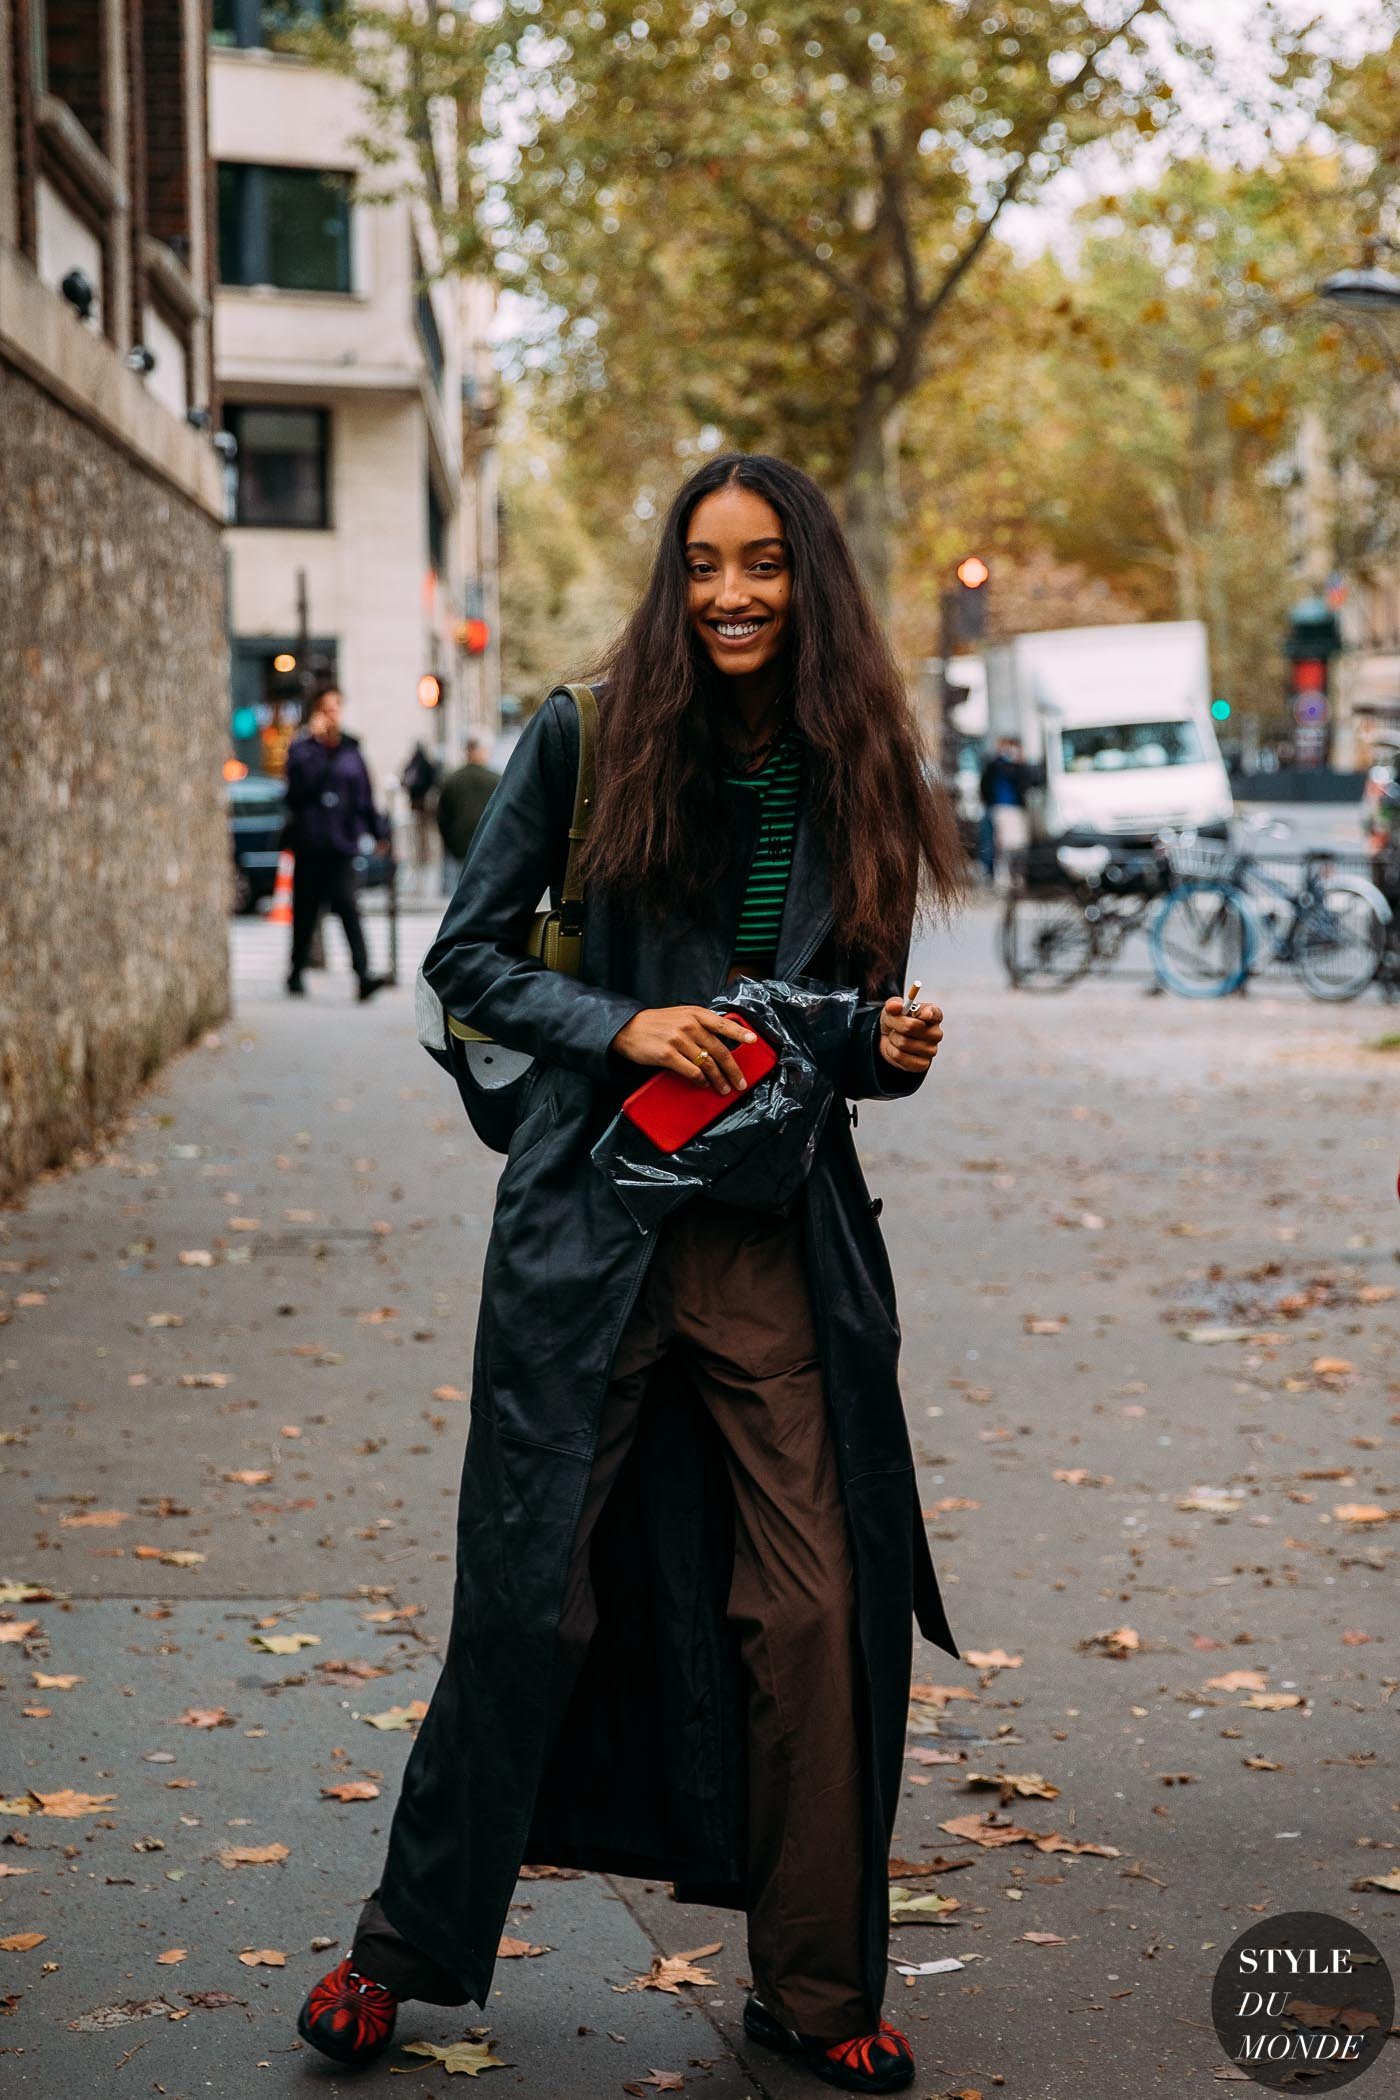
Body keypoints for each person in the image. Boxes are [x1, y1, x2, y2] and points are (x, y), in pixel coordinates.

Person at [296, 455, 963, 2094]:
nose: (733, 593)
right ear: (675, 579)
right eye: (706, 564)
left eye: (764, 565)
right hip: (589, 1233)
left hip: (766, 1242)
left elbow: (830, 1034)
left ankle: (815, 1989)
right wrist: (621, 1024)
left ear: (811, 580)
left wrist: (891, 1048)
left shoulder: (858, 763)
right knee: (531, 1598)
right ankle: (402, 1949)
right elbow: (465, 958)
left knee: (819, 1609)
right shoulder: (583, 736)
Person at [283, 689, 391, 1001]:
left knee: (348, 908)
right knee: (305, 912)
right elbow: (296, 793)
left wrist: (379, 832)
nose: (333, 714)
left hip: (341, 844)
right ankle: (295, 973)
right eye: (327, 708)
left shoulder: (351, 750)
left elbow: (364, 797)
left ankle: (363, 974)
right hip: (311, 843)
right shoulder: (303, 750)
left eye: (337, 708)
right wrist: (318, 748)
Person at [435, 734, 501, 892]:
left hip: (461, 846)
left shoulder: (452, 779)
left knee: (462, 893)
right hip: (489, 845)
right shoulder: (496, 779)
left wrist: (451, 843)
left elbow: (442, 817)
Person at [979, 735, 1033, 882]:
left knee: (1018, 843)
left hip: (1016, 809)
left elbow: (1027, 781)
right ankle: (1001, 877)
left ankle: (1016, 875)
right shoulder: (994, 766)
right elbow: (985, 785)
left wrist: (1020, 762)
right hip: (999, 809)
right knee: (1000, 844)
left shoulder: (1018, 767)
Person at [400, 741, 442, 881]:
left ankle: (423, 857)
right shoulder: (423, 765)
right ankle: (422, 857)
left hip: (420, 805)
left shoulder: (417, 765)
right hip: (421, 805)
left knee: (421, 834)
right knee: (421, 834)